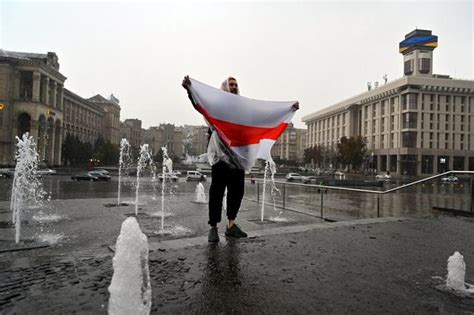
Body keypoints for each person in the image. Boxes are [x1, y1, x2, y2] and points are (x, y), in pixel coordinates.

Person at [182, 76, 299, 243]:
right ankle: (213, 227)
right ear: (225, 87)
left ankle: (231, 225)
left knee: (237, 192)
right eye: (231, 84)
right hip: (221, 157)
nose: (234, 86)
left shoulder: (244, 108)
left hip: (239, 157)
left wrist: (288, 109)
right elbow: (202, 105)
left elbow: (264, 115)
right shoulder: (218, 105)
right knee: (217, 192)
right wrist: (190, 90)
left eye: (236, 84)